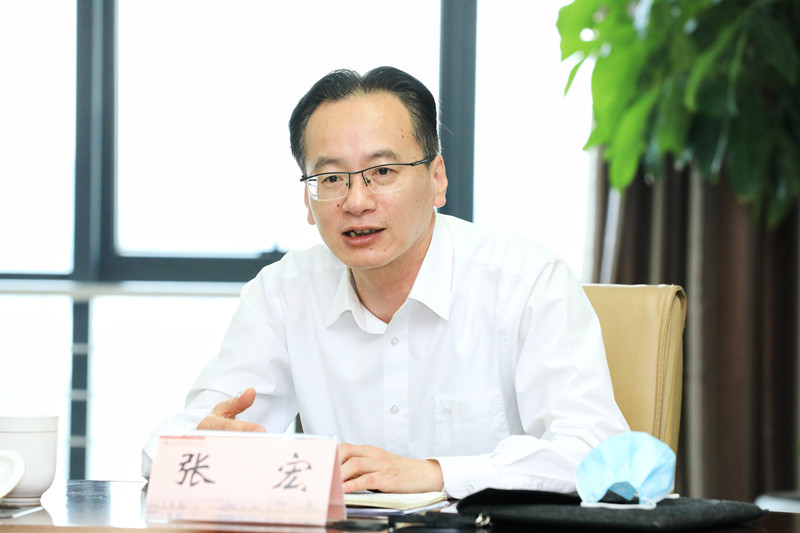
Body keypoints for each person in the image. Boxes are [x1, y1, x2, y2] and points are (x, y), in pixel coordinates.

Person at [142, 66, 629, 498]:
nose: (357, 201)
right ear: (307, 201)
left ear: (437, 178)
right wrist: (200, 446)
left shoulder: (527, 283)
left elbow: (596, 451)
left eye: (382, 171)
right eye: (331, 179)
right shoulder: (282, 294)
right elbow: (174, 445)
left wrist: (436, 474)